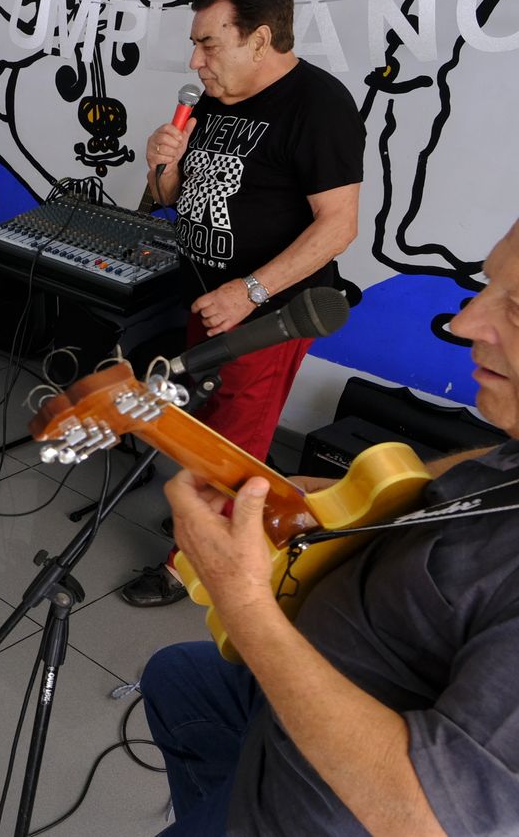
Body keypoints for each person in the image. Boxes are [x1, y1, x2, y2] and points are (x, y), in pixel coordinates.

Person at [140, 217, 519, 835]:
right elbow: (488, 466)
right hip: (319, 676)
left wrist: (243, 603)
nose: (465, 324)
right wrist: (352, 496)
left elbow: (423, 814)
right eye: (488, 286)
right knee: (178, 679)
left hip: (345, 802)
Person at [124, 0, 365, 606]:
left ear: (259, 40)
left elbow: (339, 225)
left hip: (269, 314)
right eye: (195, 45)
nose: (195, 61)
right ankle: (206, 519)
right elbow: (172, 200)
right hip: (206, 298)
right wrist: (164, 165)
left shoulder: (319, 105)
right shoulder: (210, 99)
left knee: (236, 441)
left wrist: (249, 293)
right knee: (206, 423)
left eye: (209, 44)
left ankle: (190, 566)